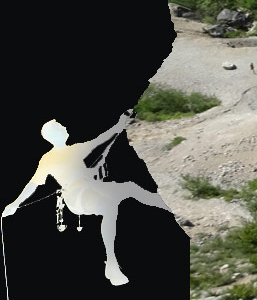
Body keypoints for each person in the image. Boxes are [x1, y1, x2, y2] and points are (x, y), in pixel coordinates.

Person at [3, 110, 173, 286]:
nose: (65, 127)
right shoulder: (55, 156)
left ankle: (169, 207)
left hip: (89, 190)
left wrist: (121, 122)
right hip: (79, 197)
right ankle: (112, 264)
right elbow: (34, 184)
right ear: (55, 134)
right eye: (60, 127)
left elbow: (103, 138)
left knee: (128, 187)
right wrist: (15, 204)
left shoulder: (65, 152)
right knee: (109, 207)